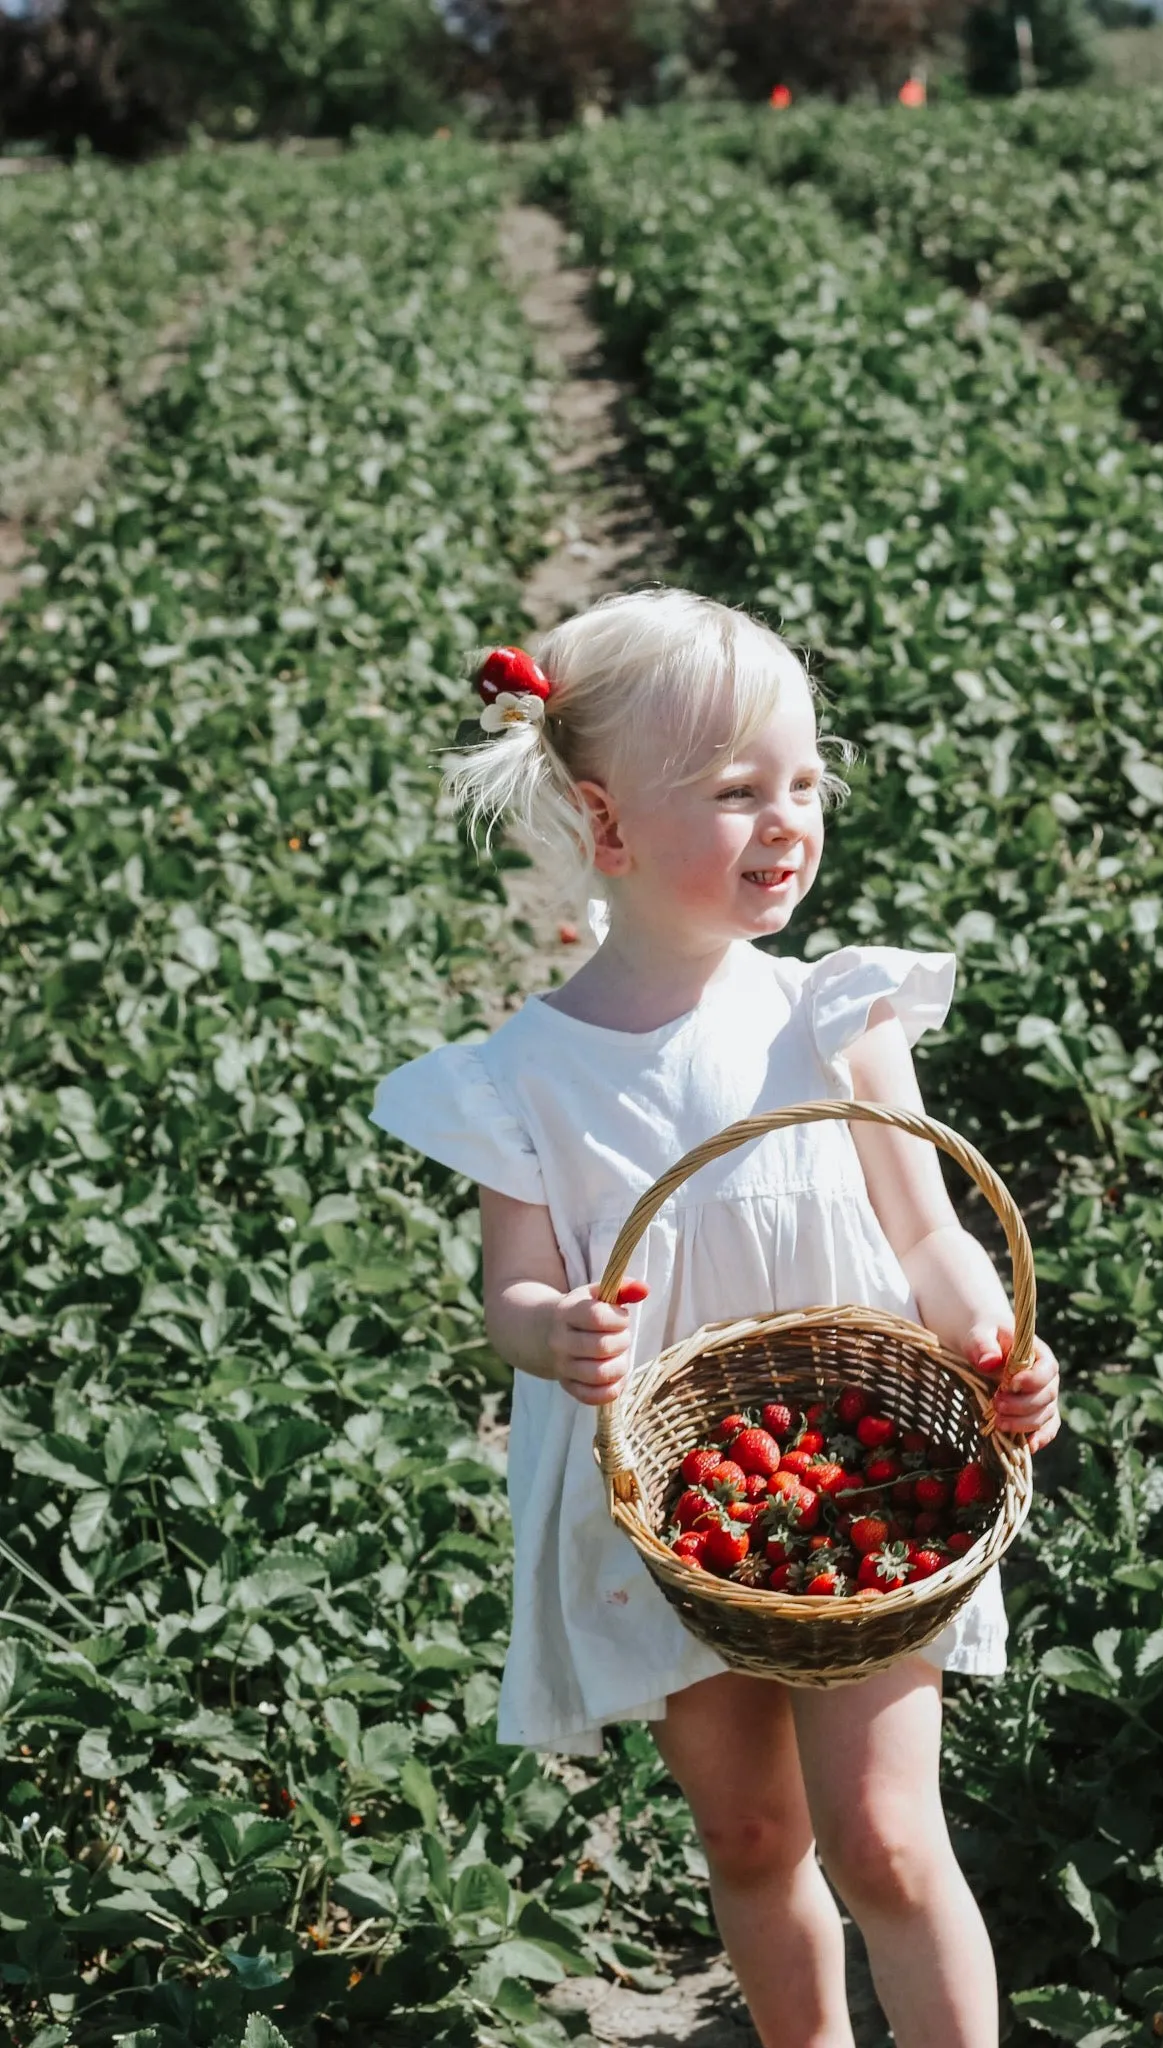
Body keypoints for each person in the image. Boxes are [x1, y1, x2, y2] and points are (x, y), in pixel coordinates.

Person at [369, 587, 1062, 2048]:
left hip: (871, 1477)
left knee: (882, 1834)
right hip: (673, 1507)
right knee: (751, 1837)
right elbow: (512, 1289)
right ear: (607, 828)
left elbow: (926, 1227)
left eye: (805, 784)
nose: (788, 820)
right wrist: (555, 1331)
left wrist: (994, 1348)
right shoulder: (528, 1076)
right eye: (739, 791)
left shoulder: (837, 1015)